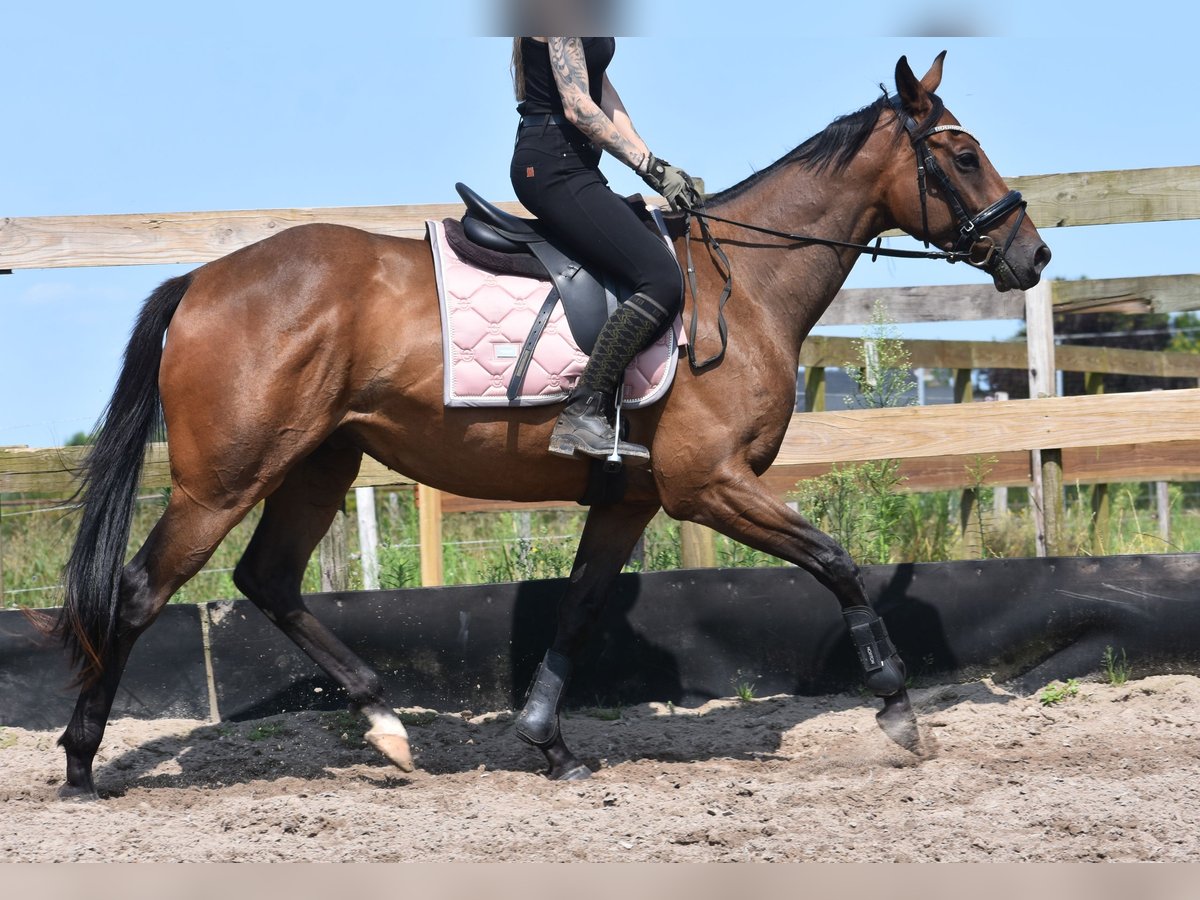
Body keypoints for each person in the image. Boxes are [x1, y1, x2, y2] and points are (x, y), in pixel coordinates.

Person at [509, 36, 702, 465]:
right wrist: (645, 167)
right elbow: (579, 106)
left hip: (577, 163)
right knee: (661, 280)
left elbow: (602, 90)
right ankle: (583, 410)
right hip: (552, 164)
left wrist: (655, 163)